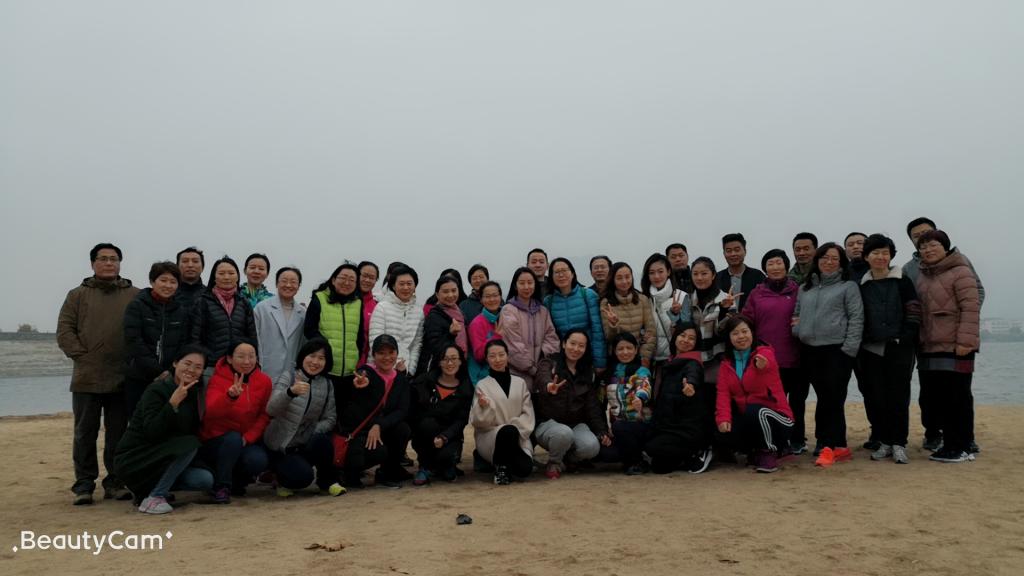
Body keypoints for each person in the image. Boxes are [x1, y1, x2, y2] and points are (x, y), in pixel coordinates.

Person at [58, 242, 140, 505]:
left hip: (122, 377)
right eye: (103, 259)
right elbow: (65, 331)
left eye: (113, 259)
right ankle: (84, 485)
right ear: (93, 263)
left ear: (120, 263)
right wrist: (83, 357)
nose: (108, 263)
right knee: (85, 433)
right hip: (87, 377)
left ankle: (115, 482)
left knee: (118, 433)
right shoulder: (77, 295)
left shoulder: (135, 294)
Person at [114, 345, 215, 514]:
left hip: (163, 455)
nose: (191, 370)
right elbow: (152, 431)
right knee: (190, 444)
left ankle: (149, 489)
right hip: (136, 457)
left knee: (204, 479)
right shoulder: (157, 389)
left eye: (198, 367)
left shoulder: (193, 393)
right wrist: (172, 403)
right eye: (187, 364)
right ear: (175, 363)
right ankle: (155, 497)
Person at [792, 243, 864, 467]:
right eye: (824, 257)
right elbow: (796, 314)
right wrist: (798, 330)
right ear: (817, 260)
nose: (829, 262)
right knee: (826, 398)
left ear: (841, 262)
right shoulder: (805, 288)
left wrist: (849, 350)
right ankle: (840, 446)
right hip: (809, 350)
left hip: (836, 350)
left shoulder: (848, 287)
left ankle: (827, 445)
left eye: (834, 258)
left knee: (831, 399)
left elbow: (856, 318)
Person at [915, 230, 981, 463]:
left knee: (958, 398)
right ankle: (951, 444)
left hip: (957, 346)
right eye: (923, 247)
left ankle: (961, 446)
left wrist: (965, 342)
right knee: (939, 398)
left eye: (933, 245)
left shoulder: (961, 271)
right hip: (930, 345)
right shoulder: (923, 275)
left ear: (945, 247)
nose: (928, 250)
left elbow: (970, 308)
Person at [858, 234, 920, 464]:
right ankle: (884, 441)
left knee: (899, 396)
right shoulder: (862, 285)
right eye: (875, 252)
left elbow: (913, 310)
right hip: (872, 348)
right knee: (877, 396)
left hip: (899, 348)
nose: (880, 257)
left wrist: (905, 336)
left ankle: (899, 443)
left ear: (891, 255)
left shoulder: (902, 280)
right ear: (866, 256)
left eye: (885, 253)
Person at [742, 249, 807, 454]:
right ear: (765, 268)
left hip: (795, 357)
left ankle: (797, 439)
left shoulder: (798, 290)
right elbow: (747, 320)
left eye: (779, 263)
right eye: (770, 264)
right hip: (766, 359)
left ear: (786, 266)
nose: (775, 267)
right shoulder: (757, 293)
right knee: (770, 402)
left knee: (796, 402)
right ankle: (776, 440)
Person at [263, 338, 345, 497]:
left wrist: (311, 431)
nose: (315, 362)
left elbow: (330, 418)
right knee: (303, 477)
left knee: (323, 441)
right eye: (312, 356)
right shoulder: (289, 376)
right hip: (281, 446)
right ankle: (280, 478)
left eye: (321, 358)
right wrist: (290, 392)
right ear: (303, 356)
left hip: (304, 443)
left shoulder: (327, 384)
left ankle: (326, 482)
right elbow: (271, 409)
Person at [715, 315, 794, 473]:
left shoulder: (763, 353)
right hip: (751, 418)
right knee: (723, 426)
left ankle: (768, 451)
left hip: (778, 418)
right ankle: (753, 450)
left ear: (752, 332)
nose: (741, 336)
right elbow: (723, 394)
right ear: (729, 338)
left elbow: (767, 363)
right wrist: (723, 419)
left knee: (755, 410)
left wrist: (762, 366)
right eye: (735, 333)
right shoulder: (726, 364)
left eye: (745, 331)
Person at [197, 340, 272, 503]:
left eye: (251, 356)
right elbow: (211, 412)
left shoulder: (264, 381)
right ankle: (221, 487)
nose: (247, 361)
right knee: (232, 439)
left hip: (244, 439)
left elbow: (264, 414)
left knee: (257, 460)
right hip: (216, 440)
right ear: (229, 359)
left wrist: (248, 437)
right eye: (241, 356)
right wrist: (229, 397)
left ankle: (238, 481)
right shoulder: (217, 378)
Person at [336, 335, 412, 487]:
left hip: (380, 428)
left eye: (391, 352)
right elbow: (362, 377)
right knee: (375, 453)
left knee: (402, 429)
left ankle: (388, 472)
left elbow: (402, 410)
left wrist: (379, 425)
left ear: (397, 354)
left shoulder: (400, 379)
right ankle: (347, 472)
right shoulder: (367, 373)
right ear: (373, 355)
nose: (387, 357)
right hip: (360, 431)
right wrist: (360, 383)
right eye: (381, 353)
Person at [533, 329, 608, 479]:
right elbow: (542, 376)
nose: (576, 349)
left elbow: (592, 406)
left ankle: (569, 459)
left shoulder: (588, 371)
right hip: (548, 424)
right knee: (563, 433)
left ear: (586, 349)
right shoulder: (550, 363)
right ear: (563, 344)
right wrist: (548, 386)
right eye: (572, 343)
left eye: (581, 346)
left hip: (575, 424)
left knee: (591, 447)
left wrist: (601, 430)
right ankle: (554, 463)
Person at [123, 261, 190, 417]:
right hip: (139, 376)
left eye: (173, 282)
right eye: (163, 280)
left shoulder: (181, 311)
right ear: (152, 281)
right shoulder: (137, 306)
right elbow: (134, 340)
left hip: (169, 377)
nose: (168, 285)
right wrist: (157, 371)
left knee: (164, 419)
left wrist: (170, 371)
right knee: (138, 419)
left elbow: (183, 344)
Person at [645, 323, 710, 473]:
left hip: (687, 428)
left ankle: (701, 450)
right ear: (675, 337)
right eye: (682, 335)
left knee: (652, 447)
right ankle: (686, 458)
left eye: (691, 338)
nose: (686, 340)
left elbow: (693, 375)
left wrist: (691, 385)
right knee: (660, 468)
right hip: (669, 425)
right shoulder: (670, 362)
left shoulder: (693, 363)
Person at [470, 340, 536, 485]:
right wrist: (483, 406)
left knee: (524, 470)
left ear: (507, 356)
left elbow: (528, 414)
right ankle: (501, 467)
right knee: (507, 431)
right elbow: (478, 422)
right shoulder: (482, 385)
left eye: (501, 354)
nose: (498, 359)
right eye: (492, 356)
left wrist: (512, 428)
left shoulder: (520, 383)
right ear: (487, 359)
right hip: (491, 437)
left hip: (518, 435)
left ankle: (503, 461)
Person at [305, 263, 365, 419]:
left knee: (341, 414)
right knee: (319, 413)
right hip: (325, 369)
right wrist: (325, 348)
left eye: (352, 280)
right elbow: (309, 329)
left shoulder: (358, 302)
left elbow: (359, 336)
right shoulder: (320, 298)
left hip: (349, 372)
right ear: (333, 280)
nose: (347, 282)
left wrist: (357, 359)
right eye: (343, 278)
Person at [409, 345, 473, 485]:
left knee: (446, 456)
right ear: (439, 362)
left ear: (461, 361)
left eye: (454, 358)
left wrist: (445, 436)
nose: (450, 363)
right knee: (427, 424)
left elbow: (461, 420)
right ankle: (425, 467)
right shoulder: (424, 381)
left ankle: (446, 465)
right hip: (425, 434)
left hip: (450, 436)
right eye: (445, 359)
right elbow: (415, 412)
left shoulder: (466, 388)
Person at [190, 256, 258, 368]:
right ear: (214, 277)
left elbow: (252, 337)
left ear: (237, 276)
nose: (226, 277)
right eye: (221, 273)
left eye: (231, 273)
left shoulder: (244, 303)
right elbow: (195, 338)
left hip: (239, 365)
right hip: (211, 366)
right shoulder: (203, 301)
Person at [500, 267, 560, 392]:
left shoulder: (542, 311)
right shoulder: (508, 310)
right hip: (517, 374)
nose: (526, 287)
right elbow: (513, 345)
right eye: (522, 283)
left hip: (542, 375)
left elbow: (551, 339)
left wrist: (544, 366)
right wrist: (532, 369)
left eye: (530, 282)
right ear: (515, 286)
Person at [602, 333, 653, 474]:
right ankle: (631, 457)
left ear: (636, 350)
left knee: (620, 426)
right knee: (605, 454)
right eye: (620, 349)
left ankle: (638, 461)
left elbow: (644, 385)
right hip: (616, 427)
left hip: (639, 424)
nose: (625, 352)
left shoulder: (641, 370)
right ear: (614, 351)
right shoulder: (608, 374)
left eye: (629, 348)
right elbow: (601, 400)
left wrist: (640, 398)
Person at [544, 257, 607, 371]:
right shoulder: (549, 301)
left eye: (564, 270)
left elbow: (597, 330)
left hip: (588, 357)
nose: (561, 275)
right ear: (551, 277)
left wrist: (599, 362)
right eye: (556, 272)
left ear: (572, 273)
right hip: (564, 360)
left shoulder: (588, 295)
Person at [254, 267, 307, 385]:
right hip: (265, 369)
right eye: (284, 281)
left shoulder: (302, 313)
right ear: (276, 284)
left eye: (293, 282)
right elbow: (254, 340)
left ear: (299, 286)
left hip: (289, 373)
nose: (288, 285)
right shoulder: (262, 308)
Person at [369, 264, 424, 375]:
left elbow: (416, 345)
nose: (406, 288)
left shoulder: (419, 312)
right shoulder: (382, 307)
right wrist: (392, 368)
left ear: (415, 286)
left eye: (409, 284)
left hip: (404, 371)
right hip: (379, 369)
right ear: (393, 286)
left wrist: (410, 370)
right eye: (401, 284)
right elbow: (375, 341)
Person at [600, 262, 657, 367]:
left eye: (627, 277)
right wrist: (613, 324)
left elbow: (651, 332)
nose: (624, 281)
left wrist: (644, 357)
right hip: (617, 359)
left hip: (639, 357)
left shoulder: (642, 299)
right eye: (619, 278)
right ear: (613, 280)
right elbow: (609, 338)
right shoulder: (606, 303)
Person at [641, 253, 690, 370]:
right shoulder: (644, 299)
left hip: (674, 358)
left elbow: (687, 330)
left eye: (660, 271)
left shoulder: (681, 297)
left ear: (668, 272)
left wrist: (675, 316)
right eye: (652, 273)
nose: (656, 276)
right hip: (650, 359)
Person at [418, 274, 469, 375]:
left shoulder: (459, 312)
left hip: (459, 364)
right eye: (445, 292)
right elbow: (435, 347)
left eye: (454, 290)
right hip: (440, 369)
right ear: (437, 294)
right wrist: (451, 334)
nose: (450, 295)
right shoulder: (434, 316)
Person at [716, 233, 765, 312]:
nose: (733, 254)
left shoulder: (757, 276)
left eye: (737, 250)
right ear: (724, 254)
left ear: (745, 251)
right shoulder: (717, 278)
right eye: (729, 251)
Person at [467, 281, 504, 384]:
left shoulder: (507, 316)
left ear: (500, 297)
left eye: (495, 295)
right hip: (484, 377)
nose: (492, 299)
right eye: (487, 296)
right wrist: (496, 337)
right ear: (481, 299)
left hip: (506, 372)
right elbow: (479, 355)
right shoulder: (476, 323)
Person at [358, 261, 381, 363]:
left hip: (364, 364)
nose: (367, 280)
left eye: (371, 278)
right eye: (364, 276)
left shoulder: (377, 307)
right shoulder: (344, 300)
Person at [175, 246, 206, 314]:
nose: (190, 265)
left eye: (195, 261)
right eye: (185, 261)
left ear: (202, 267)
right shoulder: (168, 294)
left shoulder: (210, 295)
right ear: (177, 266)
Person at [460, 264, 491, 328]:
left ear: (487, 279)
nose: (478, 280)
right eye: (474, 278)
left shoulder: (496, 300)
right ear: (470, 282)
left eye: (481, 277)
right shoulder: (463, 305)